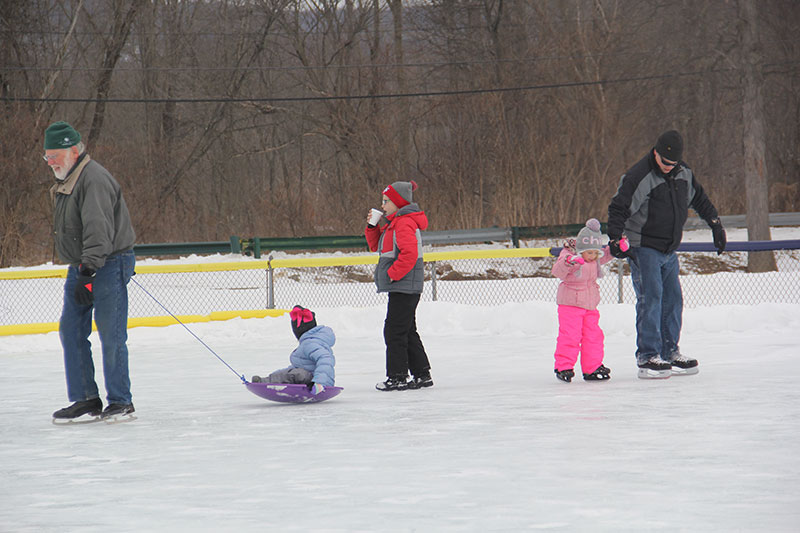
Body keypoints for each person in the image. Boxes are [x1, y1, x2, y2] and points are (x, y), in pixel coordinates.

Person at [607, 130, 726, 379]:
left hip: (669, 248)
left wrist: (715, 224)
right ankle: (648, 355)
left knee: (673, 300)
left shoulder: (683, 172)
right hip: (644, 246)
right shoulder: (639, 175)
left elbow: (700, 199)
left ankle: (669, 351)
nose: (669, 168)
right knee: (651, 298)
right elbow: (619, 207)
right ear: (655, 152)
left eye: (673, 164)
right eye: (665, 163)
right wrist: (616, 238)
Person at [45, 121, 137, 421]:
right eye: (46, 156)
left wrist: (88, 272)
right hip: (84, 266)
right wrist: (82, 270)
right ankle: (85, 398)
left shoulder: (92, 179)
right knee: (71, 330)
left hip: (106, 265)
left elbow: (98, 230)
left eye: (55, 155)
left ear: (74, 150)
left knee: (110, 334)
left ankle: (121, 402)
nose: (50, 161)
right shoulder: (68, 179)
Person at [365, 180, 433, 391]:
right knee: (407, 330)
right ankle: (422, 374)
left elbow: (409, 254)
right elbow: (375, 246)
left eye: (386, 201)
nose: (383, 206)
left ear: (398, 202)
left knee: (394, 331)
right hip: (402, 286)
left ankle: (398, 376)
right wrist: (372, 226)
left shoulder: (404, 223)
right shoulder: (394, 224)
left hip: (404, 285)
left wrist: (393, 275)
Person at [551, 219, 617, 383]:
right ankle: (563, 366)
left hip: (589, 305)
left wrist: (617, 248)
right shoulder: (569, 256)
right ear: (581, 250)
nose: (593, 257)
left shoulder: (594, 259)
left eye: (596, 253)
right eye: (590, 253)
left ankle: (592, 367)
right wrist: (569, 262)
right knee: (570, 336)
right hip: (570, 304)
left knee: (593, 336)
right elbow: (557, 271)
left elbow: (606, 255)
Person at [251, 305, 335, 394]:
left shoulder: (310, 343)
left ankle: (265, 382)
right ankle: (265, 381)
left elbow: (325, 360)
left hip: (315, 381)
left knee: (293, 374)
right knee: (287, 372)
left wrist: (319, 382)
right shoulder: (309, 342)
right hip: (309, 377)